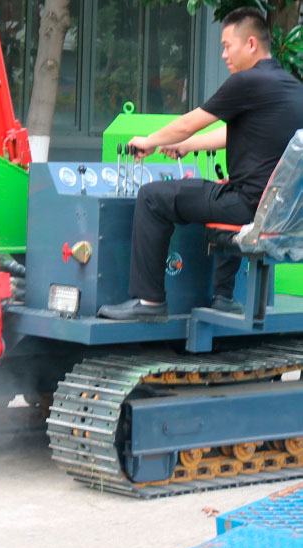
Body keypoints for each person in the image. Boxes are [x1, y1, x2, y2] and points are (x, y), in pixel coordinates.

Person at [98, 7, 303, 322]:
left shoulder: (247, 82)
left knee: (153, 196)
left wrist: (149, 141)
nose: (223, 55)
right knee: (224, 187)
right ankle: (223, 298)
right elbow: (235, 133)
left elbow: (189, 122)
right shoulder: (292, 87)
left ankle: (149, 302)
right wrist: (185, 146)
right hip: (279, 212)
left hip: (246, 206)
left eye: (227, 46)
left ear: (251, 44)